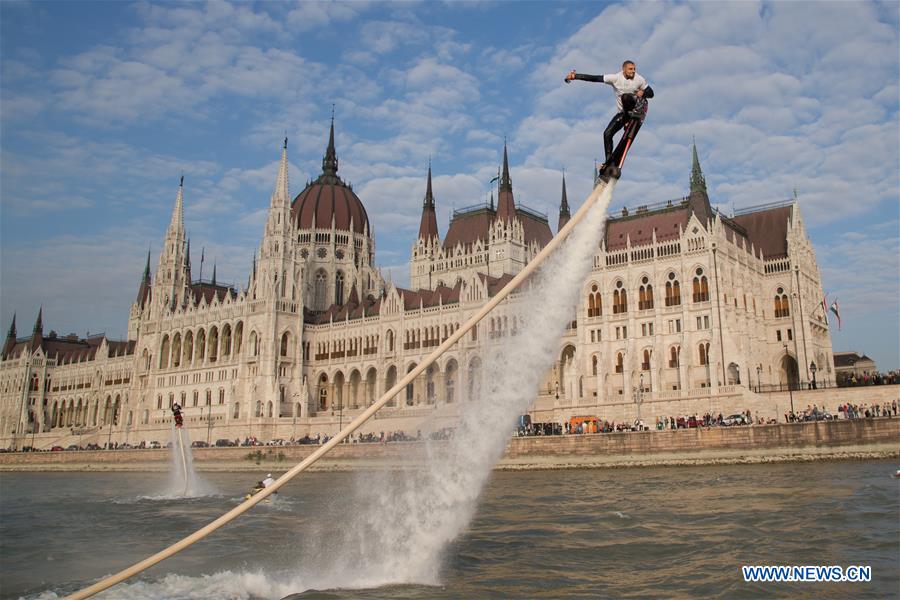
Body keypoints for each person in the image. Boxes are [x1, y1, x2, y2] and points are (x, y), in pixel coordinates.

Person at [565, 60, 654, 175]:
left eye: (634, 69)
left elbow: (651, 93)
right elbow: (595, 78)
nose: (633, 71)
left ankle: (632, 117)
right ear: (624, 69)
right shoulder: (615, 78)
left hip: (638, 108)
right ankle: (609, 163)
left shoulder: (639, 79)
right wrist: (575, 76)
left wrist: (643, 93)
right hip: (624, 113)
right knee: (607, 134)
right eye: (630, 69)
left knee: (626, 97)